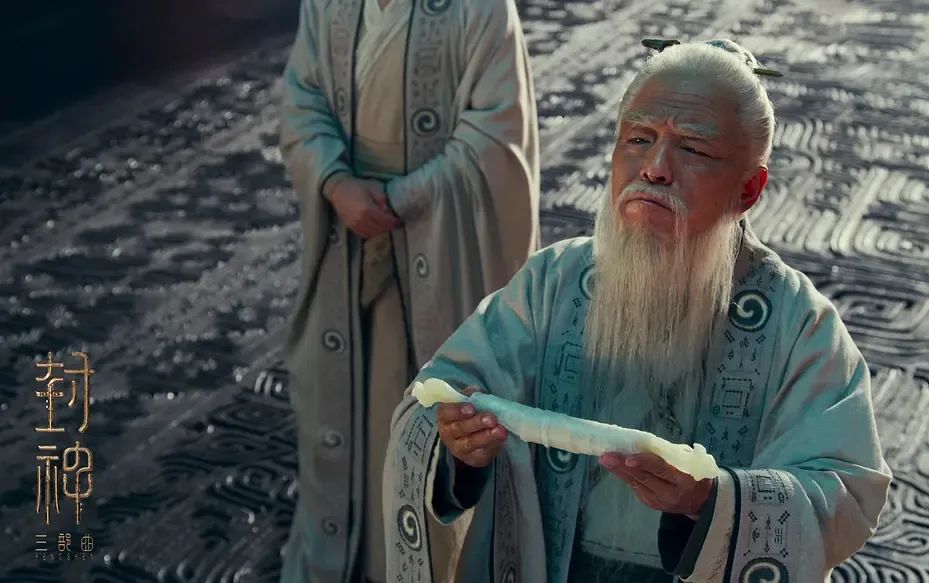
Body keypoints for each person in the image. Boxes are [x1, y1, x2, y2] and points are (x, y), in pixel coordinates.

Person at [385, 39, 891, 582]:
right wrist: (458, 447)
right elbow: (434, 398)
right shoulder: (553, 283)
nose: (654, 168)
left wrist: (714, 500)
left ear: (749, 189)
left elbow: (845, 487)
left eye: (693, 149)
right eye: (639, 139)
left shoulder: (796, 324)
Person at [277, 0, 539, 581]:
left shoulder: (481, 10)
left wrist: (403, 198)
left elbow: (494, 137)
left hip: (439, 252)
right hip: (347, 243)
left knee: (431, 423)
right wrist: (336, 182)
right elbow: (303, 99)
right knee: (345, 421)